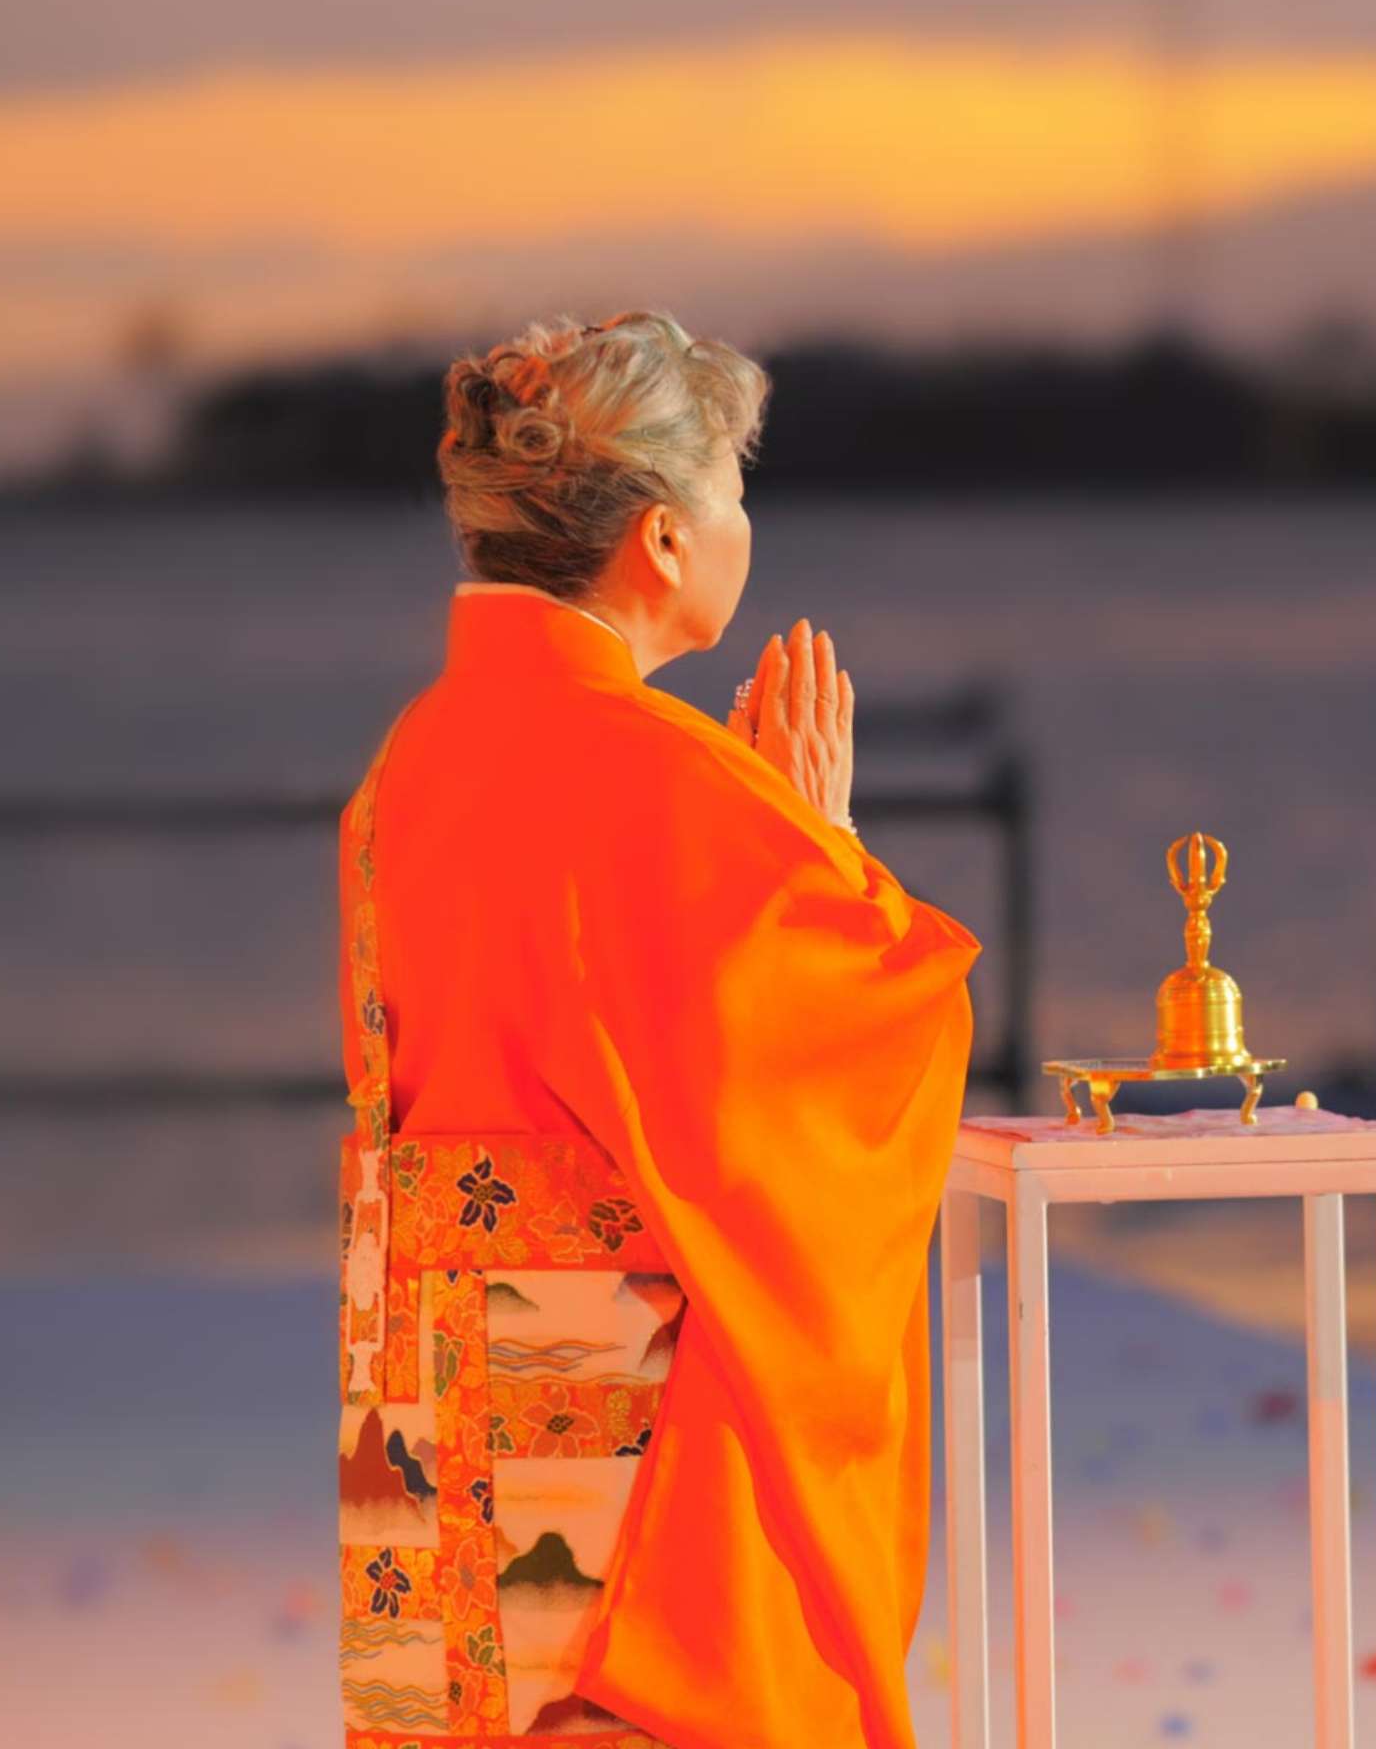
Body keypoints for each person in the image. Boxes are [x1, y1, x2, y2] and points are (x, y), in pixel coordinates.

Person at [335, 312, 978, 1749]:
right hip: (594, 1378)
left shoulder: (408, 762)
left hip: (419, 1365)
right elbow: (850, 1038)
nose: (745, 522)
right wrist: (824, 847)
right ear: (666, 543)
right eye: (735, 491)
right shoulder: (657, 771)